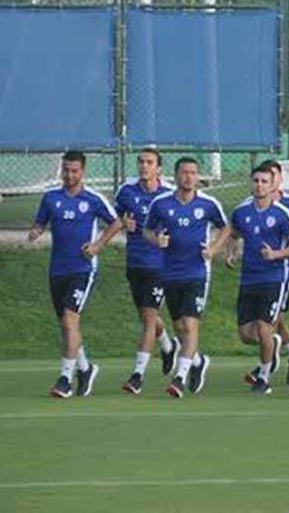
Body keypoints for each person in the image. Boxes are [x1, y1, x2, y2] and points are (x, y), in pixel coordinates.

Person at [29, 151, 122, 399]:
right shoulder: (51, 198)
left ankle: (64, 379)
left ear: (83, 172)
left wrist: (97, 246)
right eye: (66, 170)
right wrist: (36, 231)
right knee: (65, 325)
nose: (69, 175)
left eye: (74, 171)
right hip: (57, 269)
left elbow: (116, 223)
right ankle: (85, 368)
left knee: (71, 320)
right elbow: (41, 222)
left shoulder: (93, 199)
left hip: (82, 269)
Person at [143, 157, 228, 398]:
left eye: (193, 173)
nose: (189, 177)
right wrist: (156, 240)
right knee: (179, 326)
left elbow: (225, 227)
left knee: (190, 326)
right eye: (184, 172)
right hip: (170, 272)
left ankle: (179, 378)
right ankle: (198, 361)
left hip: (197, 272)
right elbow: (147, 230)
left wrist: (213, 248)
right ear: (176, 175)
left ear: (197, 176)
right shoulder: (161, 204)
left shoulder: (208, 204)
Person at [228, 164, 289, 394]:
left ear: (273, 186)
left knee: (264, 327)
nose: (259, 185)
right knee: (245, 334)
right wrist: (232, 253)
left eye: (264, 181)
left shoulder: (281, 214)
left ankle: (263, 377)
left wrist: (276, 255)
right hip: (248, 279)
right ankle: (275, 344)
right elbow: (233, 234)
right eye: (256, 181)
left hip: (273, 278)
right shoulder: (242, 213)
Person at [115, 148, 180, 395]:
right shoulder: (126, 191)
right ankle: (167, 345)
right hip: (135, 262)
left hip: (159, 265)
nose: (144, 166)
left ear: (159, 169)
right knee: (146, 317)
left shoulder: (167, 196)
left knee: (150, 318)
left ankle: (137, 375)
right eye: (141, 162)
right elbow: (116, 216)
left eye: (149, 162)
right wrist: (124, 222)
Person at [258, 159, 289, 385]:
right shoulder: (255, 201)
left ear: (279, 179)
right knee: (276, 318)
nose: (271, 180)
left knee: (273, 318)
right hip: (258, 270)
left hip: (284, 269)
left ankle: (268, 364)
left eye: (274, 175)